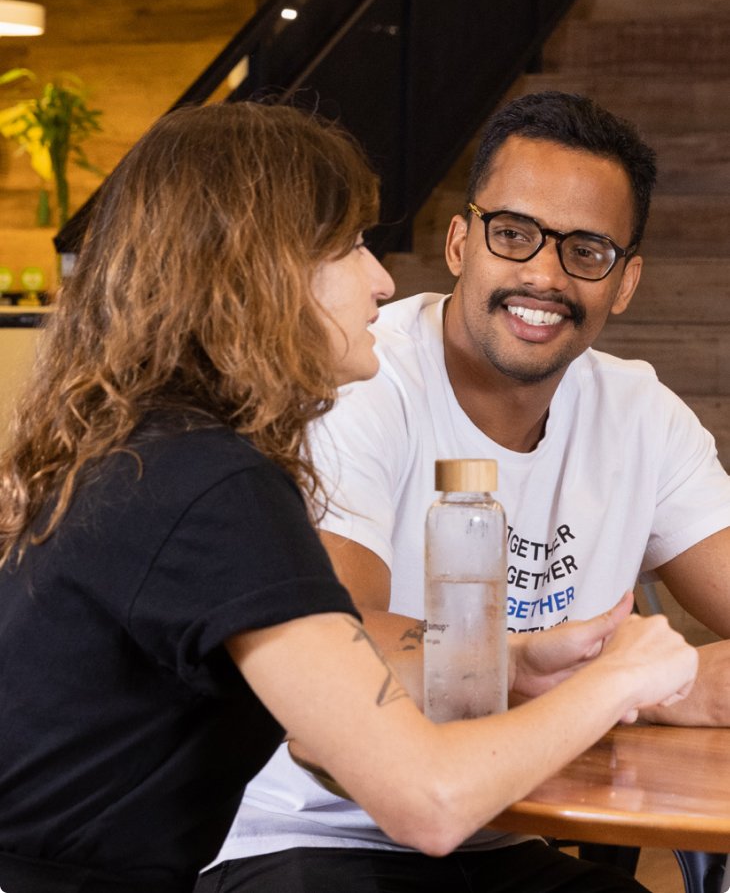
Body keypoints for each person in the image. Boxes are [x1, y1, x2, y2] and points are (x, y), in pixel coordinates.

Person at [0, 99, 697, 893]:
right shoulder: (209, 487)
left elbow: (331, 691)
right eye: (349, 248)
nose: (383, 280)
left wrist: (515, 657)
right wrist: (621, 677)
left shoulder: (161, 453)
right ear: (253, 275)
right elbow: (429, 804)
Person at [201, 91, 730, 893]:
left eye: (587, 251)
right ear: (460, 242)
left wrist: (663, 684)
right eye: (514, 235)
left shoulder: (640, 416)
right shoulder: (361, 382)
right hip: (308, 837)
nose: (544, 275)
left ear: (624, 283)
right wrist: (633, 685)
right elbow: (346, 640)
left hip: (499, 840)